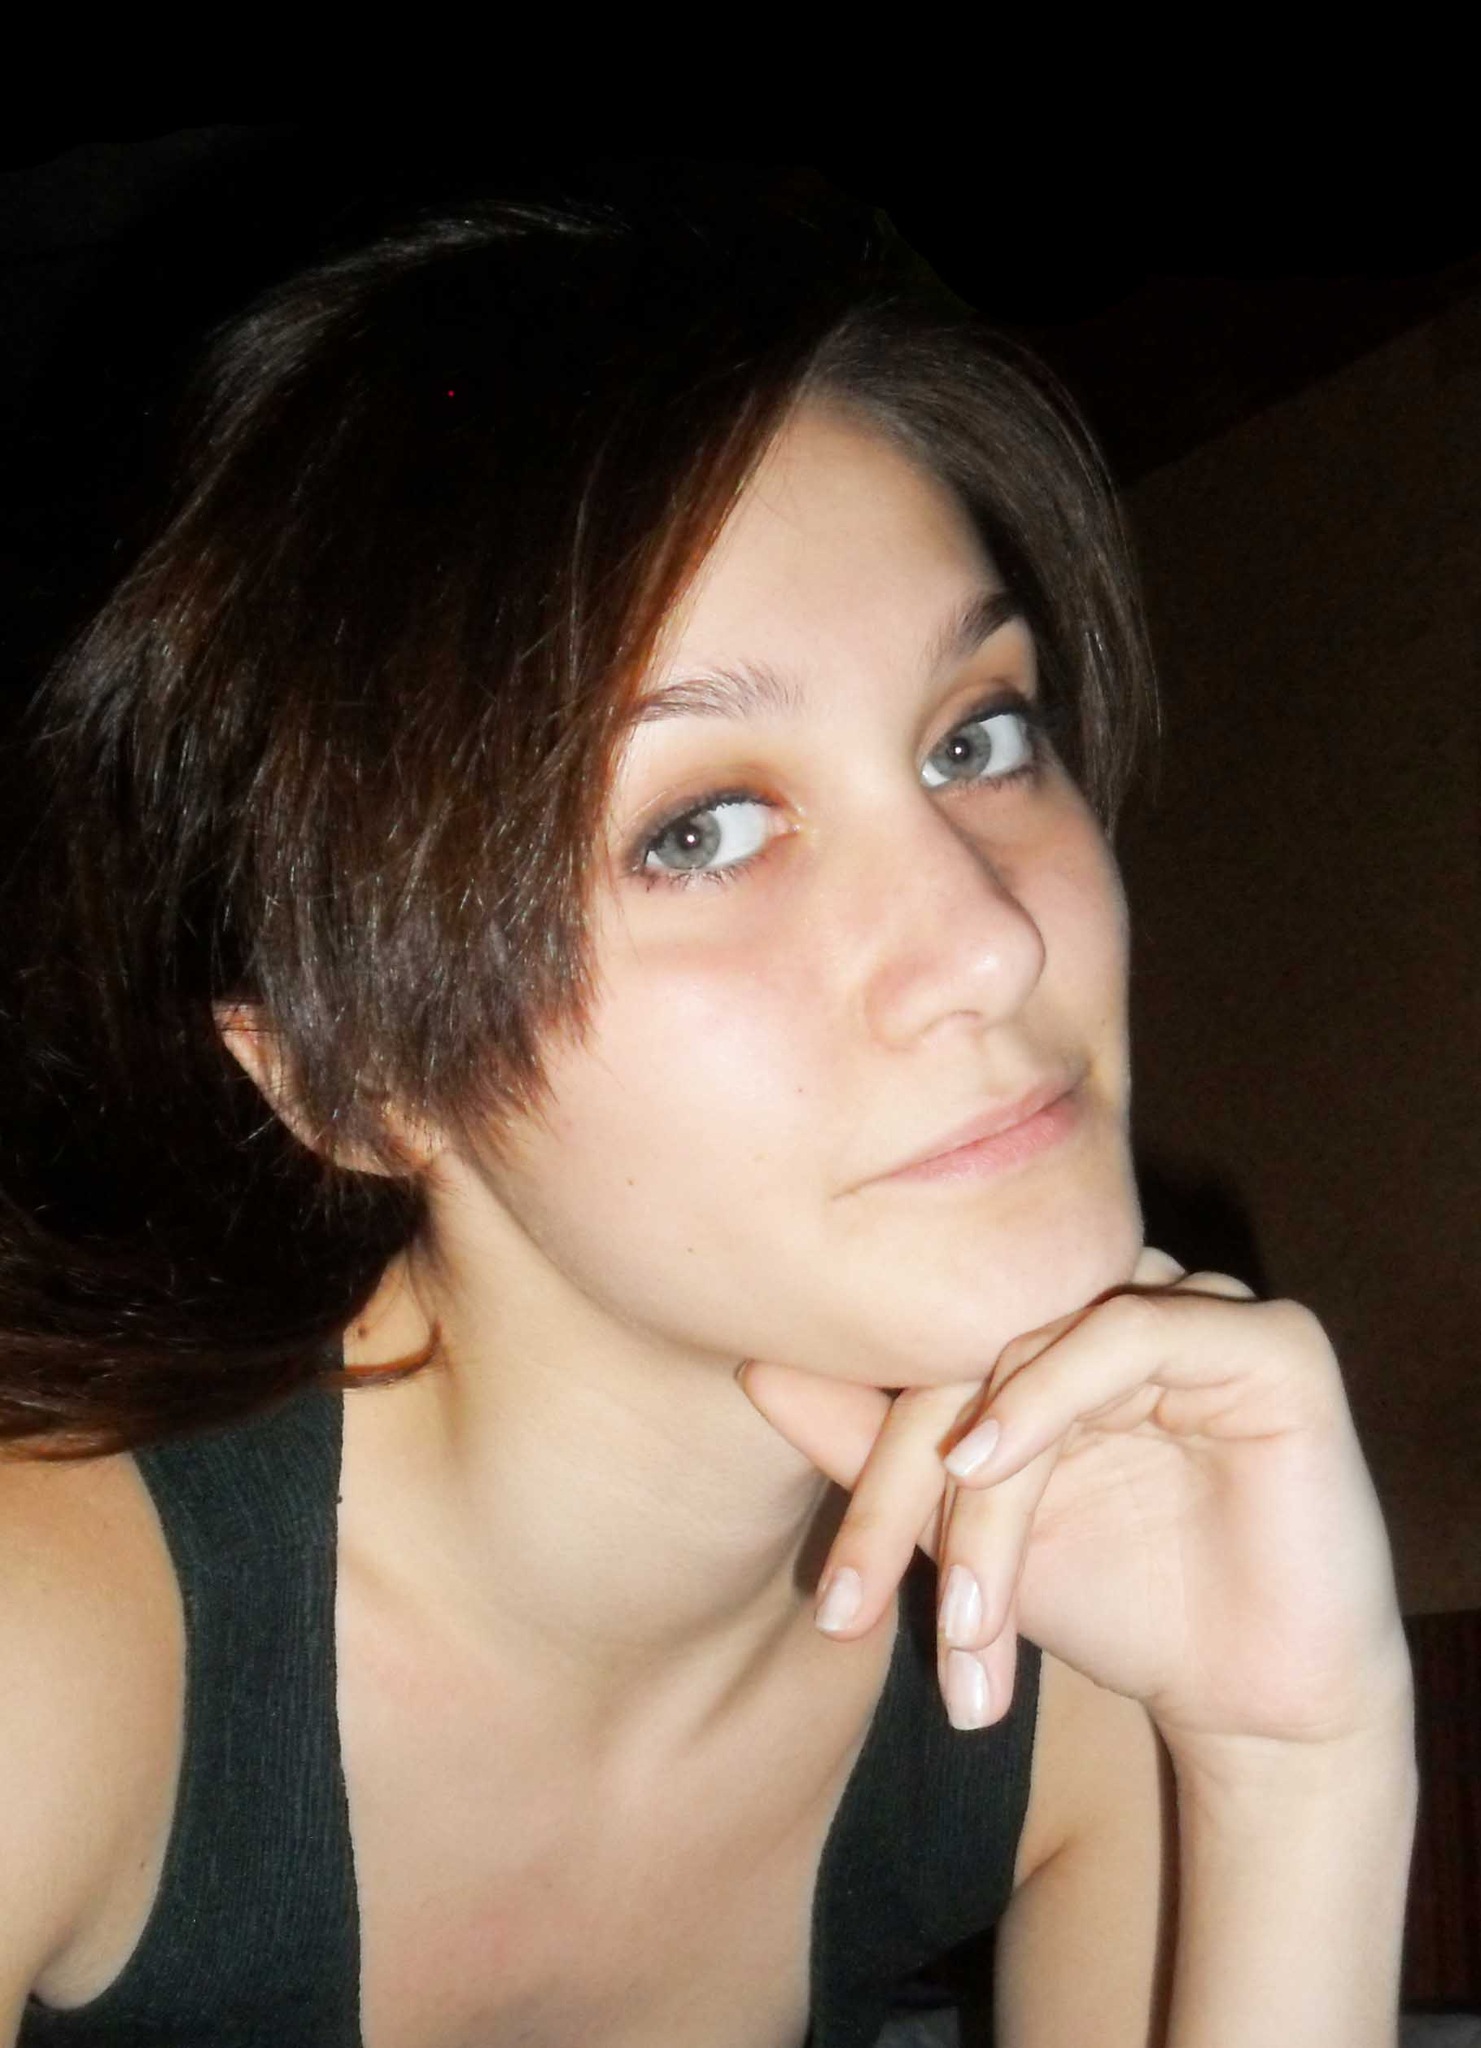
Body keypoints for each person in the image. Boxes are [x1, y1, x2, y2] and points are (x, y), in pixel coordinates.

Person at [0, 175, 1415, 2047]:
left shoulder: (1088, 1627)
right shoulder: (46, 1646)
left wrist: (1300, 1764)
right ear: (349, 1076)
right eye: (701, 831)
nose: (987, 943)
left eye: (975, 738)